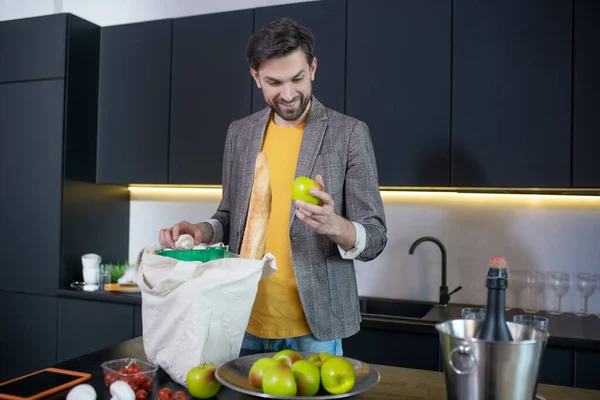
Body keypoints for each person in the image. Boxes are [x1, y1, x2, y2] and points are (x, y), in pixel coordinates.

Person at [158, 18, 387, 356]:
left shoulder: (349, 134)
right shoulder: (240, 133)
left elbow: (375, 237)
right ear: (255, 77)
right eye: (274, 82)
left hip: (314, 330)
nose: (289, 94)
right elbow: (230, 216)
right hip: (242, 320)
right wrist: (202, 231)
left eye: (297, 78)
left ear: (313, 67)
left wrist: (335, 226)